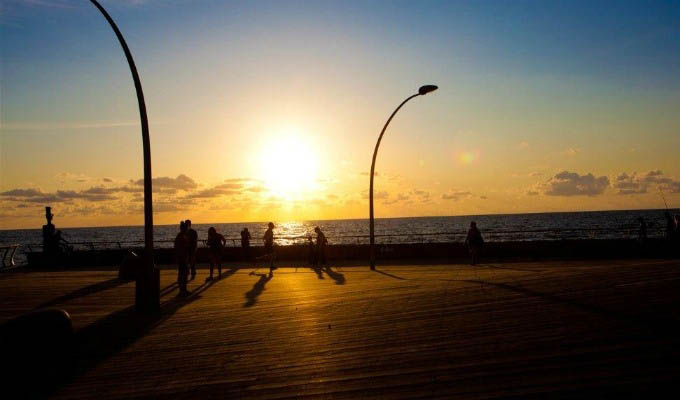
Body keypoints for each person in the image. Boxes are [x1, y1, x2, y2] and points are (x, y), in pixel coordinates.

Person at [174, 221, 190, 296]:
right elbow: (180, 249)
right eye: (187, 228)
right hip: (182, 258)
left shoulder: (181, 236)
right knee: (183, 274)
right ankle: (182, 290)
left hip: (183, 258)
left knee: (183, 274)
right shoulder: (181, 237)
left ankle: (183, 290)